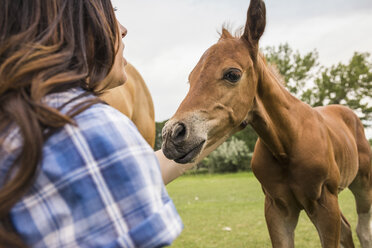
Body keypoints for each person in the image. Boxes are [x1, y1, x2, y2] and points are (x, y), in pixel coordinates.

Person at [0, 0, 197, 247]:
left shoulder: (15, 120)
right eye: (110, 11)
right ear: (67, 25)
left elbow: (125, 171)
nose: (123, 29)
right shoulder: (84, 128)